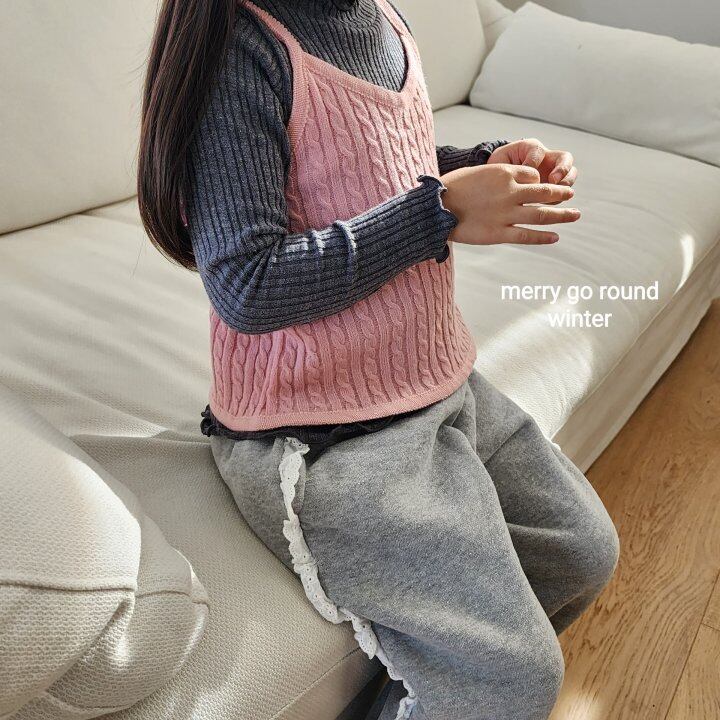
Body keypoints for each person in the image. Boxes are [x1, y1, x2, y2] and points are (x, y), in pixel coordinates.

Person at [138, 1, 620, 718]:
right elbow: (247, 285)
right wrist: (439, 212)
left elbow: (374, 166)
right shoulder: (243, 48)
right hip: (322, 435)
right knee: (515, 681)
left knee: (580, 552)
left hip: (437, 382)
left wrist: (481, 168)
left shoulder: (382, 16)